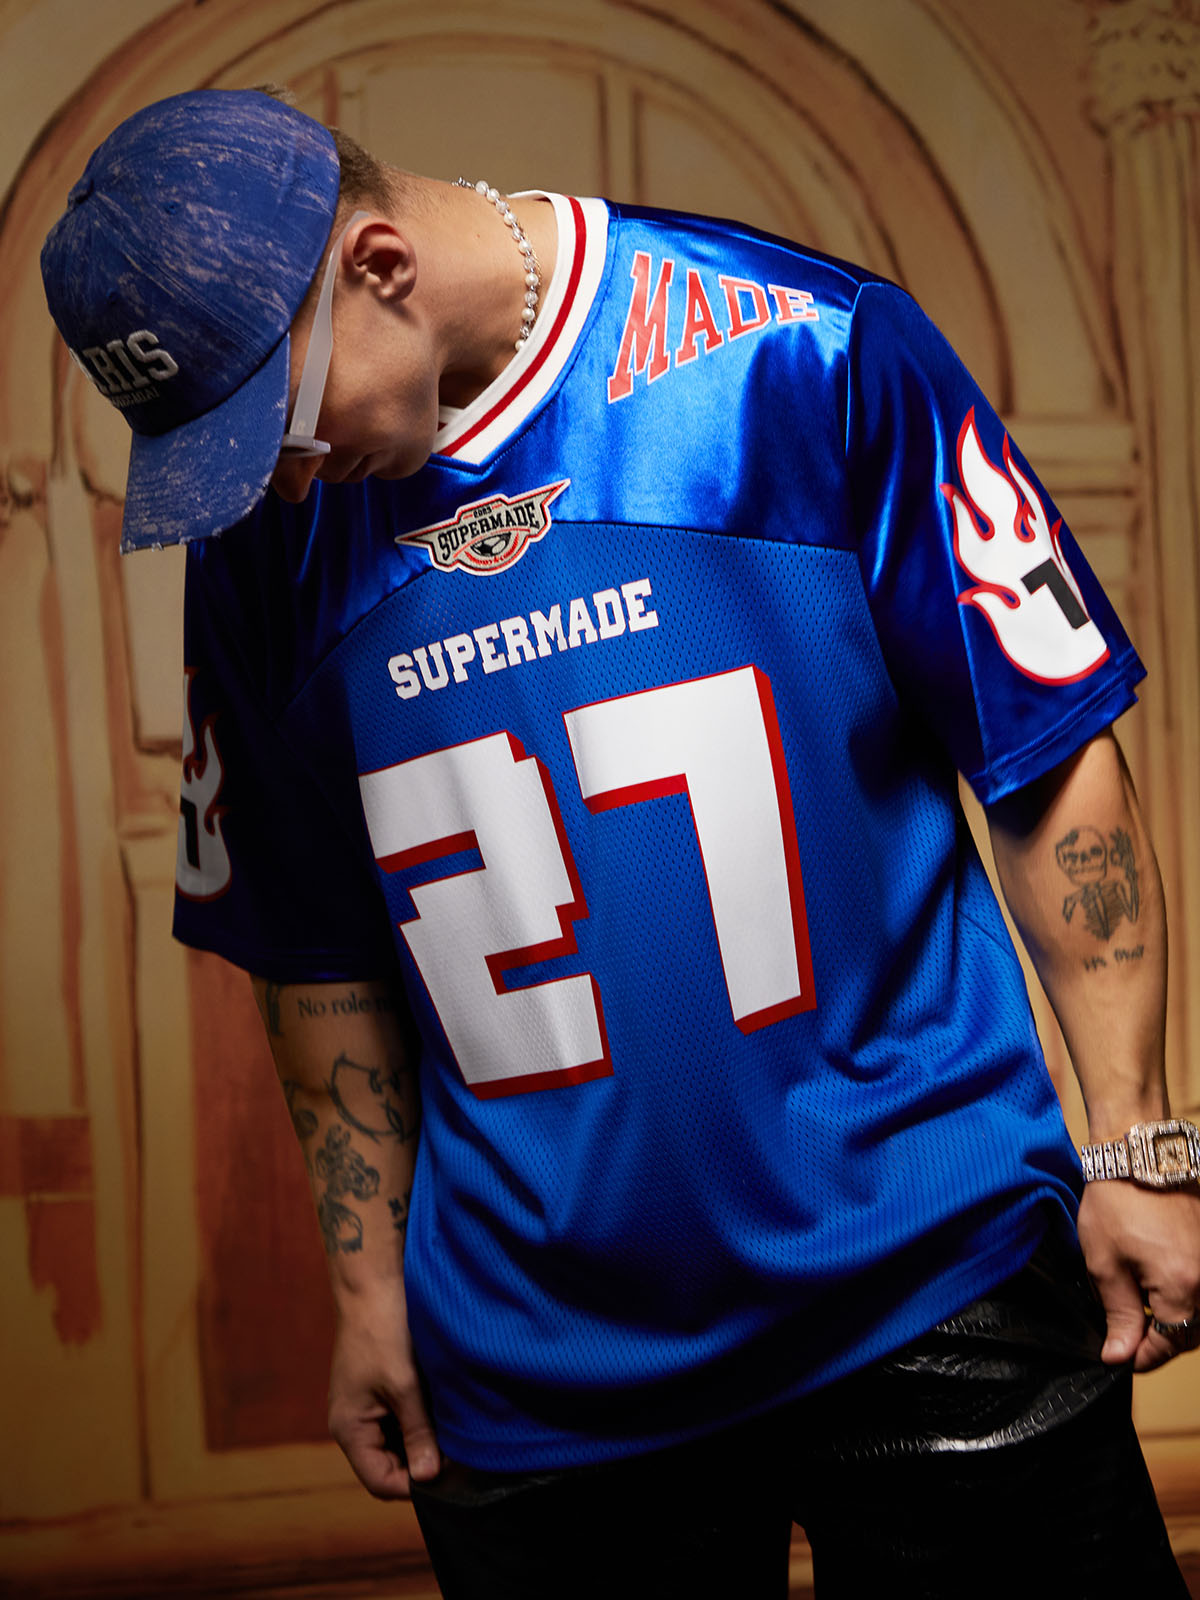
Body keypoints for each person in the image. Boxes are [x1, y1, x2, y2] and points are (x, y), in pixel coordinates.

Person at [41, 87, 1200, 1598]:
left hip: (928, 1268)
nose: (274, 478)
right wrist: (368, 1290)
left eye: (273, 422)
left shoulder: (804, 347)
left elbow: (1042, 751)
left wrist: (1138, 1141)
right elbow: (315, 945)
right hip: (543, 1361)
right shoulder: (264, 542)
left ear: (380, 266)